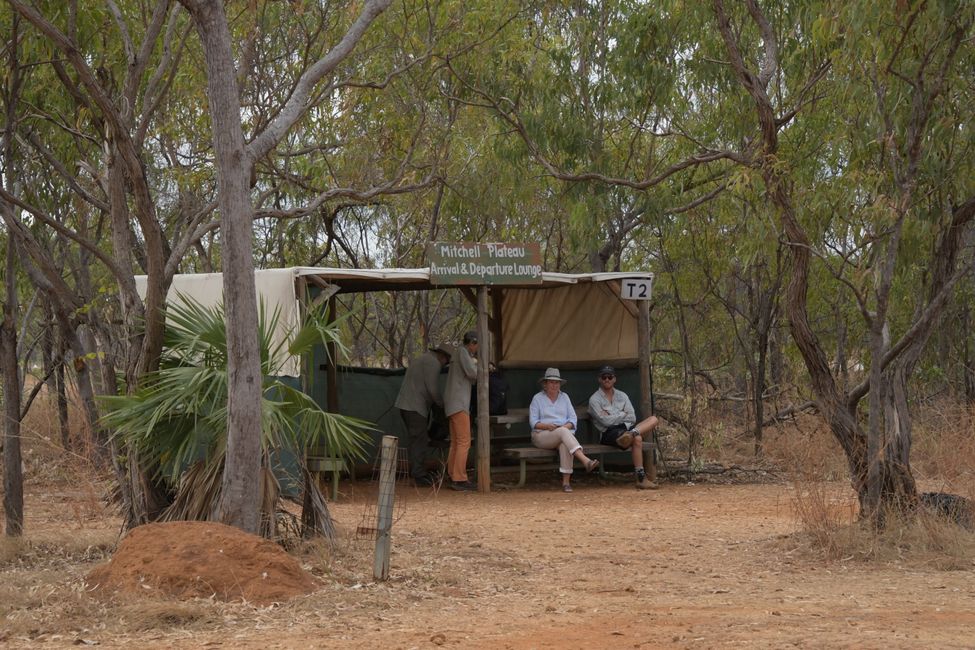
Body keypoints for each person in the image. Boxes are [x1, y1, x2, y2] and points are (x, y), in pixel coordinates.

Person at [587, 365, 659, 489]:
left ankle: (632, 434)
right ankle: (641, 478)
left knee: (654, 419)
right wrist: (622, 414)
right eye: (604, 377)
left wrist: (613, 415)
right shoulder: (594, 399)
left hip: (626, 429)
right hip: (608, 433)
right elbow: (605, 422)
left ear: (614, 379)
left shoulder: (622, 396)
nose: (607, 380)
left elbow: (632, 417)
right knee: (638, 439)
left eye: (610, 377)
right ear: (599, 379)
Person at [529, 368, 599, 493]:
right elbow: (533, 422)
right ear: (545, 384)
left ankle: (566, 483)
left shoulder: (565, 397)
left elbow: (573, 419)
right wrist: (547, 426)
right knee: (563, 433)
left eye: (557, 382)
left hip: (562, 434)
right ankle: (585, 460)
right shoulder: (537, 398)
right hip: (541, 435)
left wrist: (563, 428)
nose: (554, 385)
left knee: (564, 443)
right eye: (551, 382)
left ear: (560, 384)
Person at [394, 343, 452, 486]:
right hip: (415, 407)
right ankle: (419, 475)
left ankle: (417, 471)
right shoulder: (433, 363)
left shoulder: (423, 358)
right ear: (443, 356)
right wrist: (441, 404)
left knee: (416, 439)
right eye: (447, 360)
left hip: (407, 404)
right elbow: (433, 389)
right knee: (420, 440)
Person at [443, 330, 479, 491]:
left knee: (456, 442)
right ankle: (459, 478)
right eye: (477, 346)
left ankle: (452, 474)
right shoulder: (463, 352)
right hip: (459, 403)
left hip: (452, 403)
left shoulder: (458, 354)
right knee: (465, 441)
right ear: (472, 343)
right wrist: (484, 369)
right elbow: (473, 373)